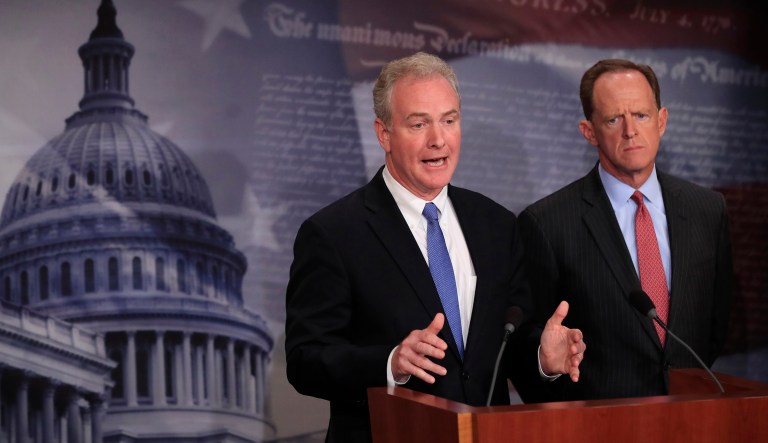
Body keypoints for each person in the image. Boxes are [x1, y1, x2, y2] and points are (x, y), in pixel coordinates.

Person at [285, 52, 585, 442]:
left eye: (449, 120)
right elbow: (306, 359)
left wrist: (541, 358)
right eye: (419, 124)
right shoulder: (334, 233)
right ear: (384, 134)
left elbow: (505, 345)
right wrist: (391, 362)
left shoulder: (496, 224)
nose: (438, 139)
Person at [517, 59, 732, 403]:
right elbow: (526, 342)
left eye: (641, 115)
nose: (630, 130)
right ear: (589, 132)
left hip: (691, 416)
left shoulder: (707, 210)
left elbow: (715, 326)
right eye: (614, 119)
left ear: (661, 121)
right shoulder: (548, 223)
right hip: (600, 421)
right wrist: (545, 363)